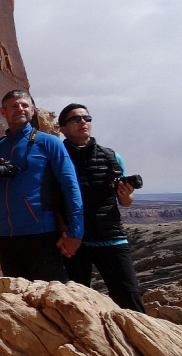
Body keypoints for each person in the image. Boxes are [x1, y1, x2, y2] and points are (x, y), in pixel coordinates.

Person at [0, 90, 84, 282]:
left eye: (25, 105)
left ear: (33, 111)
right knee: (21, 301)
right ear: (3, 112)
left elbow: (70, 186)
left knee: (53, 298)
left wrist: (76, 232)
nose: (20, 109)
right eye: (14, 106)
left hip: (41, 234)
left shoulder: (49, 143)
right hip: (5, 237)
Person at [57, 103, 145, 312]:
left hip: (112, 238)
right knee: (75, 306)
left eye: (87, 119)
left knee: (130, 299)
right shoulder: (57, 158)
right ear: (62, 128)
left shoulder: (111, 157)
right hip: (75, 242)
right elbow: (52, 200)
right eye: (75, 119)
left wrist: (126, 195)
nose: (82, 122)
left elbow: (125, 202)